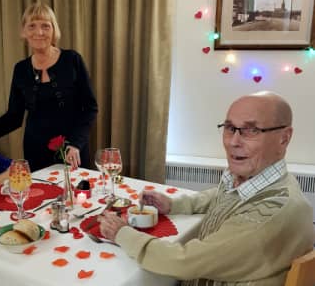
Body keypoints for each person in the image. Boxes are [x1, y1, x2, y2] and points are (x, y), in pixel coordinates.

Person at [100, 91, 314, 285]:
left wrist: (121, 233)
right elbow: (223, 194)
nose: (233, 142)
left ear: (284, 138)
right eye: (230, 128)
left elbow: (183, 262)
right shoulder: (261, 179)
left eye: (251, 130)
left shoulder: (269, 213)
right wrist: (174, 204)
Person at [0, 2, 98, 171]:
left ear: (54, 30)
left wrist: (76, 143)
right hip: (35, 151)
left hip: (72, 149)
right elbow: (13, 117)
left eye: (45, 26)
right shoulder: (21, 69)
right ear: (23, 32)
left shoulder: (72, 60)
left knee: (76, 196)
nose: (39, 32)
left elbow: (90, 108)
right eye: (32, 26)